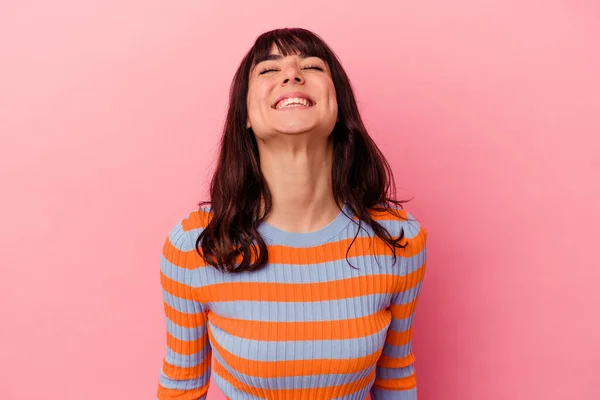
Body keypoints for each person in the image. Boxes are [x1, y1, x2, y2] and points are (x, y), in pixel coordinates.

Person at [157, 27, 428, 400]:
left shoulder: (399, 242)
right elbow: (181, 388)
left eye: (312, 66)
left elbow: (395, 377)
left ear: (339, 108)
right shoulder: (195, 246)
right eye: (268, 70)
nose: (291, 74)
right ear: (246, 117)